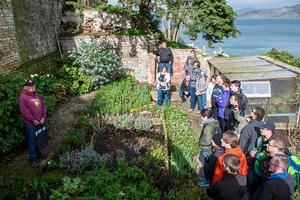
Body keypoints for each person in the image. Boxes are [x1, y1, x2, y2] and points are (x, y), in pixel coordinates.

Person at [18, 80, 47, 168]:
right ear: (26, 87)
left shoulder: (36, 94)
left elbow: (42, 104)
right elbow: (25, 112)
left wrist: (43, 117)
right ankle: (33, 159)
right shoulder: (22, 97)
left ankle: (38, 154)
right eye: (30, 86)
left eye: (33, 86)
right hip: (31, 124)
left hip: (39, 121)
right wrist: (33, 120)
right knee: (32, 141)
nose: (32, 88)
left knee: (39, 138)